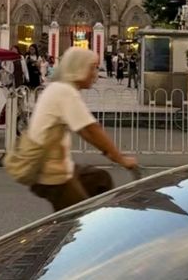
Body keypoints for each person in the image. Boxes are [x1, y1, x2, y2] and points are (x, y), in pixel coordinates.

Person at [27, 48, 137, 212]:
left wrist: (110, 153)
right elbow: (92, 129)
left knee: (99, 179)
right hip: (48, 169)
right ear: (79, 68)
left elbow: (85, 132)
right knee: (76, 220)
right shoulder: (65, 91)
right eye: (92, 67)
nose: (95, 73)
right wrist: (121, 159)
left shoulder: (59, 88)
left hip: (50, 164)